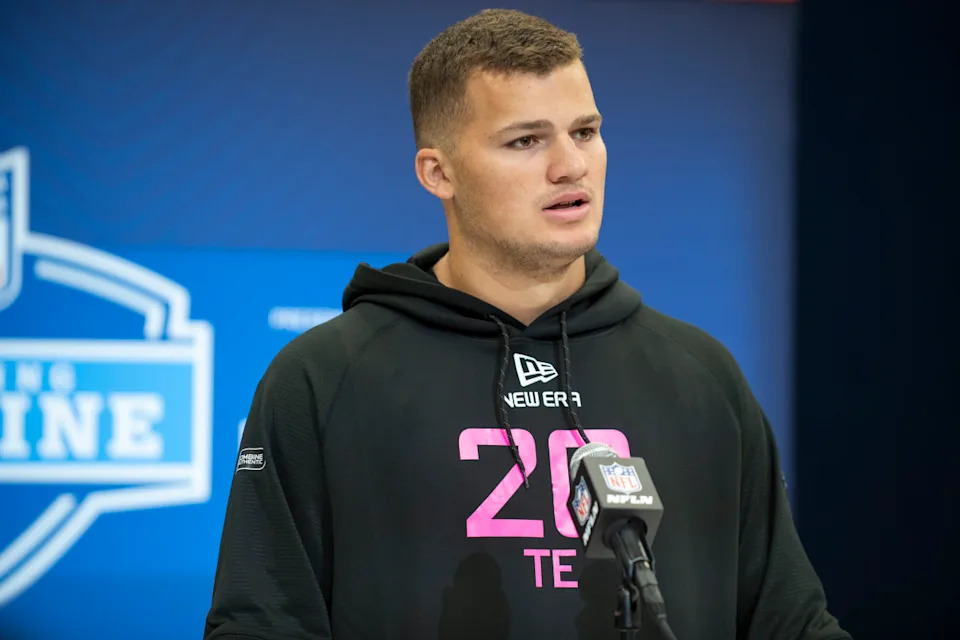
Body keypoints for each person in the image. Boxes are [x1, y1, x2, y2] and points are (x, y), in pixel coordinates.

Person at [203, 9, 851, 640]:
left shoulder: (702, 375)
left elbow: (788, 622)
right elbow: (261, 623)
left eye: (585, 131)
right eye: (526, 140)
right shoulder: (323, 378)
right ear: (439, 173)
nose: (571, 166)